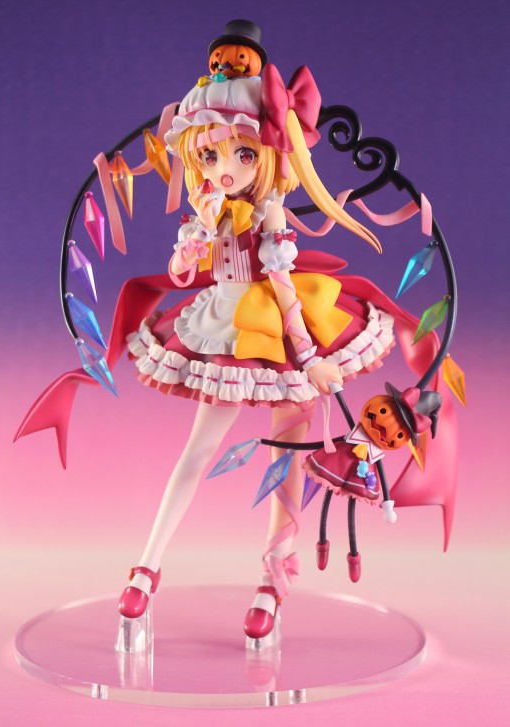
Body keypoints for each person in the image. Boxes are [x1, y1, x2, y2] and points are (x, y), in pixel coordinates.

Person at [116, 20, 395, 641]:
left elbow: (285, 287)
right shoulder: (208, 209)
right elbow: (181, 271)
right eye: (210, 155)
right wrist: (188, 251)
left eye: (243, 154)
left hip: (275, 327)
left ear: (268, 154)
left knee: (286, 451)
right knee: (197, 450)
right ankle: (146, 567)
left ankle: (273, 579)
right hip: (222, 323)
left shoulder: (269, 213)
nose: (225, 168)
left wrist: (309, 357)